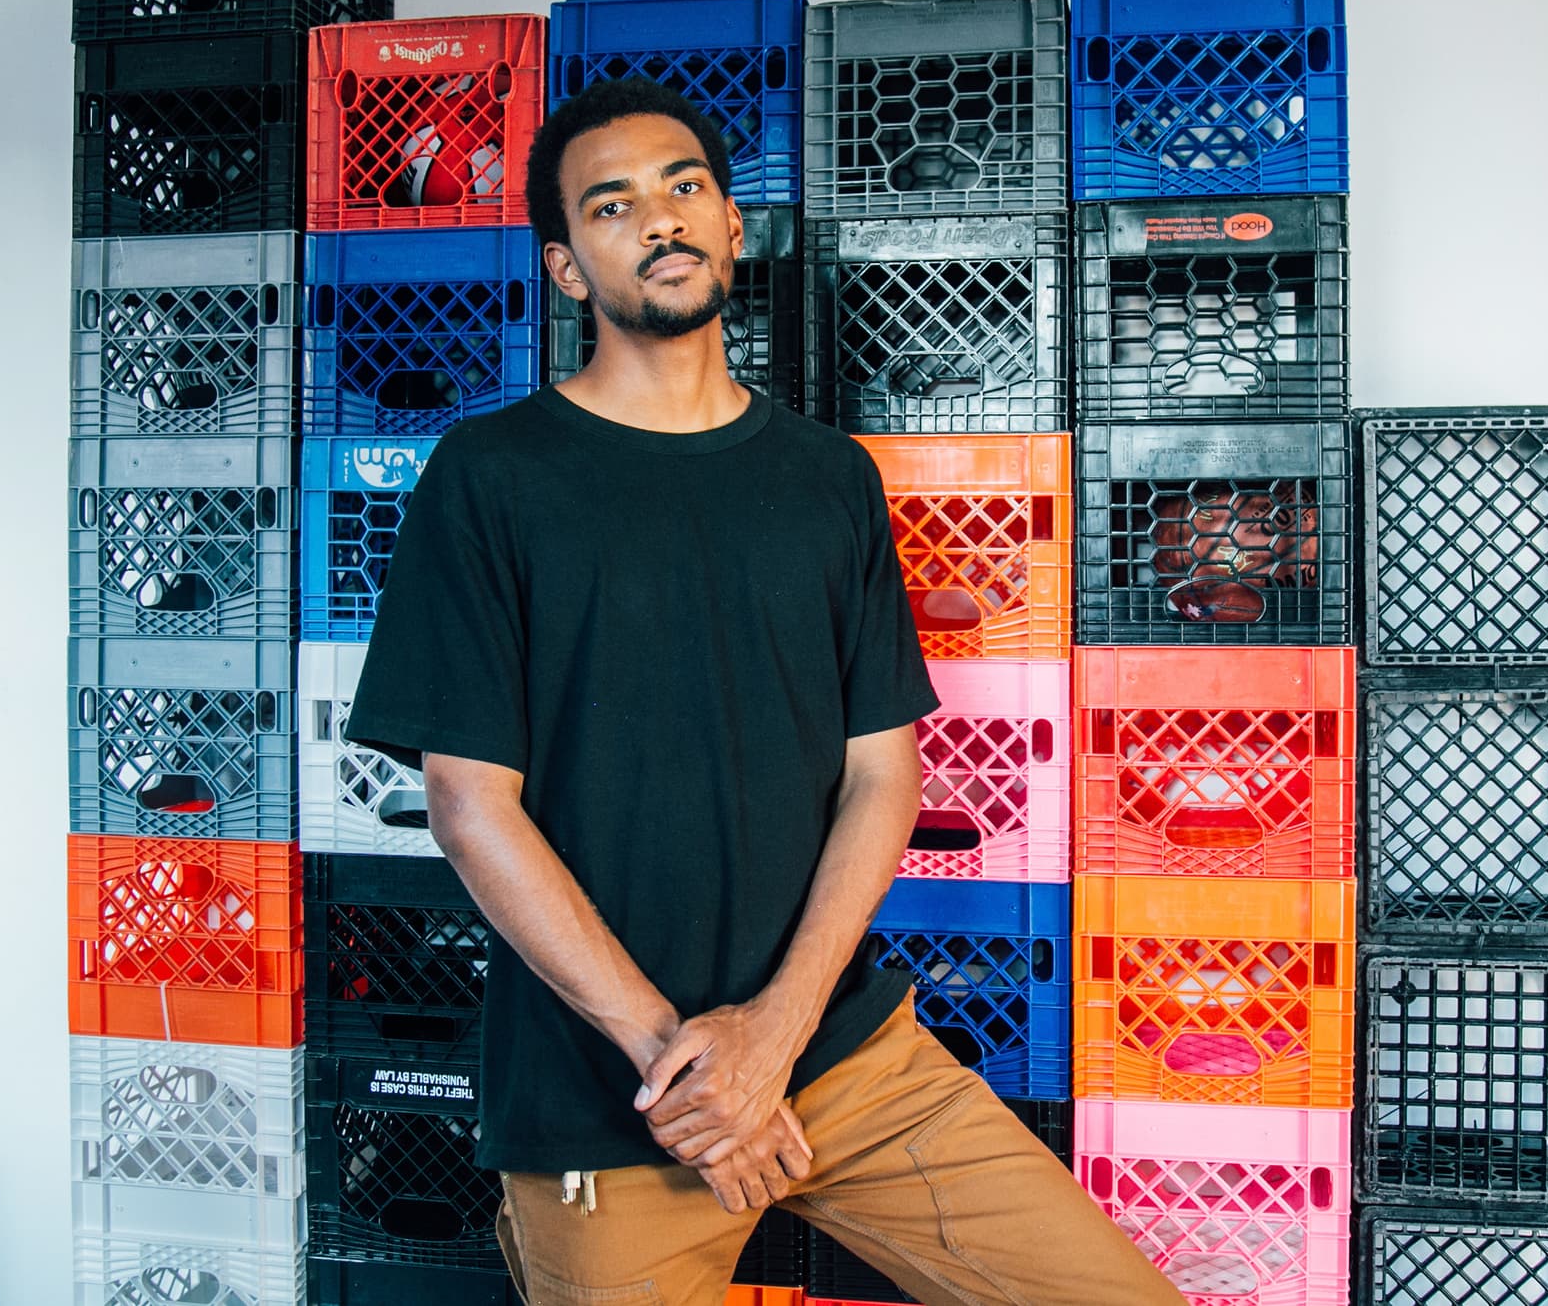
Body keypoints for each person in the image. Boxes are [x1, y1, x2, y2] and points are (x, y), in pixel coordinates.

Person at [344, 76, 1183, 1305]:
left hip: (836, 1050)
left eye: (684, 186)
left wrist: (771, 1036)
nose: (660, 217)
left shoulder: (826, 478)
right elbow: (471, 808)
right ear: (566, 268)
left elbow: (881, 776)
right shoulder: (491, 476)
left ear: (731, 226)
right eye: (611, 204)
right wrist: (689, 1071)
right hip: (611, 1093)